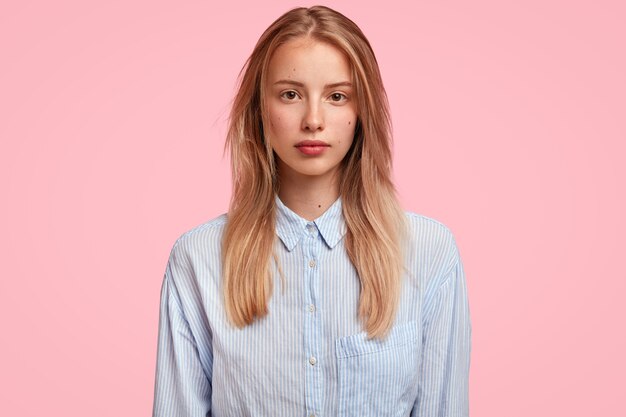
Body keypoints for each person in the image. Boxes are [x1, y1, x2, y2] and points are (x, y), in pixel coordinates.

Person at [152, 5, 471, 417]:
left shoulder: (429, 252)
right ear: (260, 110)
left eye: (337, 96)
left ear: (361, 113)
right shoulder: (197, 259)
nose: (314, 120)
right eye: (290, 94)